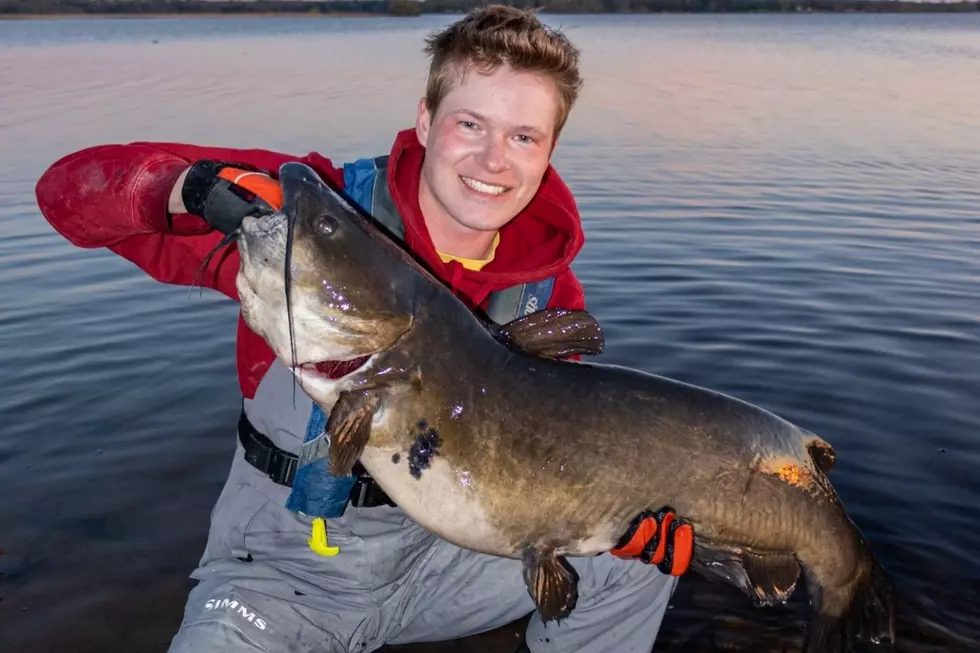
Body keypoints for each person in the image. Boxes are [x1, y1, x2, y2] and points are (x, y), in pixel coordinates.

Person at [35, 6, 693, 652]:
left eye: (524, 136)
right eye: (471, 124)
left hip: (447, 561)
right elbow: (65, 192)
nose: (494, 159)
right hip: (282, 581)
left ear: (548, 151)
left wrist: (618, 515)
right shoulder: (308, 222)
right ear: (427, 119)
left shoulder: (545, 293)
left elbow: (552, 459)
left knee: (633, 566)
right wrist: (182, 188)